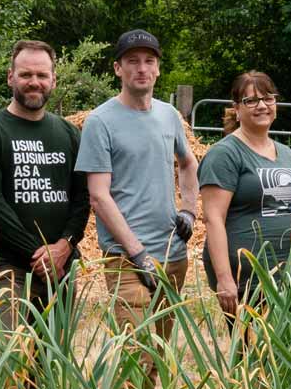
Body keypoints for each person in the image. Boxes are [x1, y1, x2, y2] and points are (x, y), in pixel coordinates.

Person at [76, 29, 199, 376]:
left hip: (173, 254)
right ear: (118, 69)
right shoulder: (100, 122)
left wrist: (189, 209)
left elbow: (188, 163)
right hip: (126, 261)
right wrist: (138, 254)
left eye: (149, 61)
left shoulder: (168, 115)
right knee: (136, 357)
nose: (141, 68)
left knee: (157, 356)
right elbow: (99, 196)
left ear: (159, 68)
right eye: (132, 61)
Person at [0, 40, 88, 323]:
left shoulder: (69, 134)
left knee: (52, 362)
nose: (34, 82)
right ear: (11, 77)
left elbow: (83, 198)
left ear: (53, 80)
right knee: (5, 360)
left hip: (61, 269)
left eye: (42, 75)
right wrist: (39, 257)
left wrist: (65, 246)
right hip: (10, 270)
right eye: (25, 75)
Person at [199, 71, 291, 317]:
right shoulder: (225, 154)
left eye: (268, 98)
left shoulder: (286, 153)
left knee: (289, 352)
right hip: (248, 280)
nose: (262, 105)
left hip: (290, 276)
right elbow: (213, 218)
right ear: (237, 109)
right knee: (255, 353)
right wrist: (224, 279)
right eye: (251, 101)